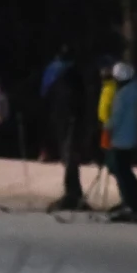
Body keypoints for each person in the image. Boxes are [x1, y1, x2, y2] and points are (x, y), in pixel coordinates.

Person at [104, 61, 137, 223]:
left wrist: (106, 128)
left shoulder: (123, 94)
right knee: (126, 173)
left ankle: (135, 206)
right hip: (131, 139)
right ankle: (135, 204)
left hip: (120, 140)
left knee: (123, 174)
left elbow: (115, 118)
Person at [43, 46, 87, 211]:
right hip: (67, 119)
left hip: (66, 120)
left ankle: (72, 194)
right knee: (69, 156)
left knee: (69, 156)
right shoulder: (70, 74)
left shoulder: (62, 74)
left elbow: (48, 93)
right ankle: (74, 192)